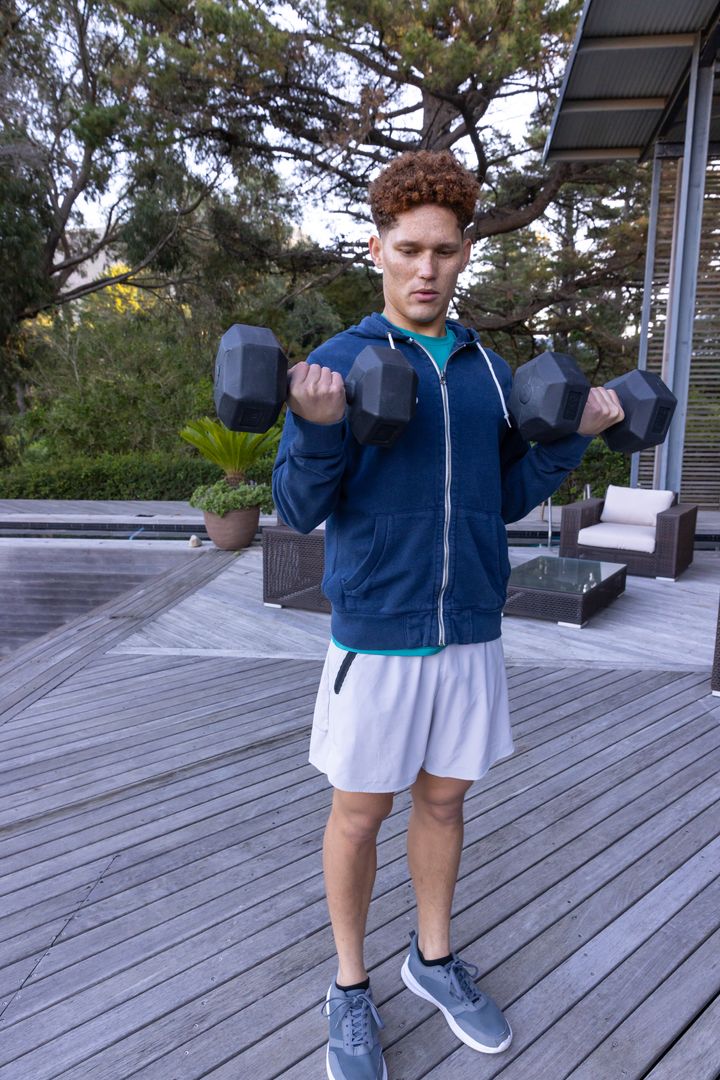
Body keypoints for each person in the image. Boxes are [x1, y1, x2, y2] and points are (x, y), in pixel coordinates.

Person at [271, 150, 623, 1080]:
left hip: (469, 624)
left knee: (444, 801)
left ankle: (430, 961)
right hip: (377, 636)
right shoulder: (338, 365)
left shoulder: (486, 373)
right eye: (409, 249)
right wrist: (313, 429)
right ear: (377, 249)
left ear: (466, 254)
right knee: (358, 815)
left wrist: (571, 446)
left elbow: (505, 492)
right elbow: (300, 510)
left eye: (445, 251)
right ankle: (350, 988)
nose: (426, 268)